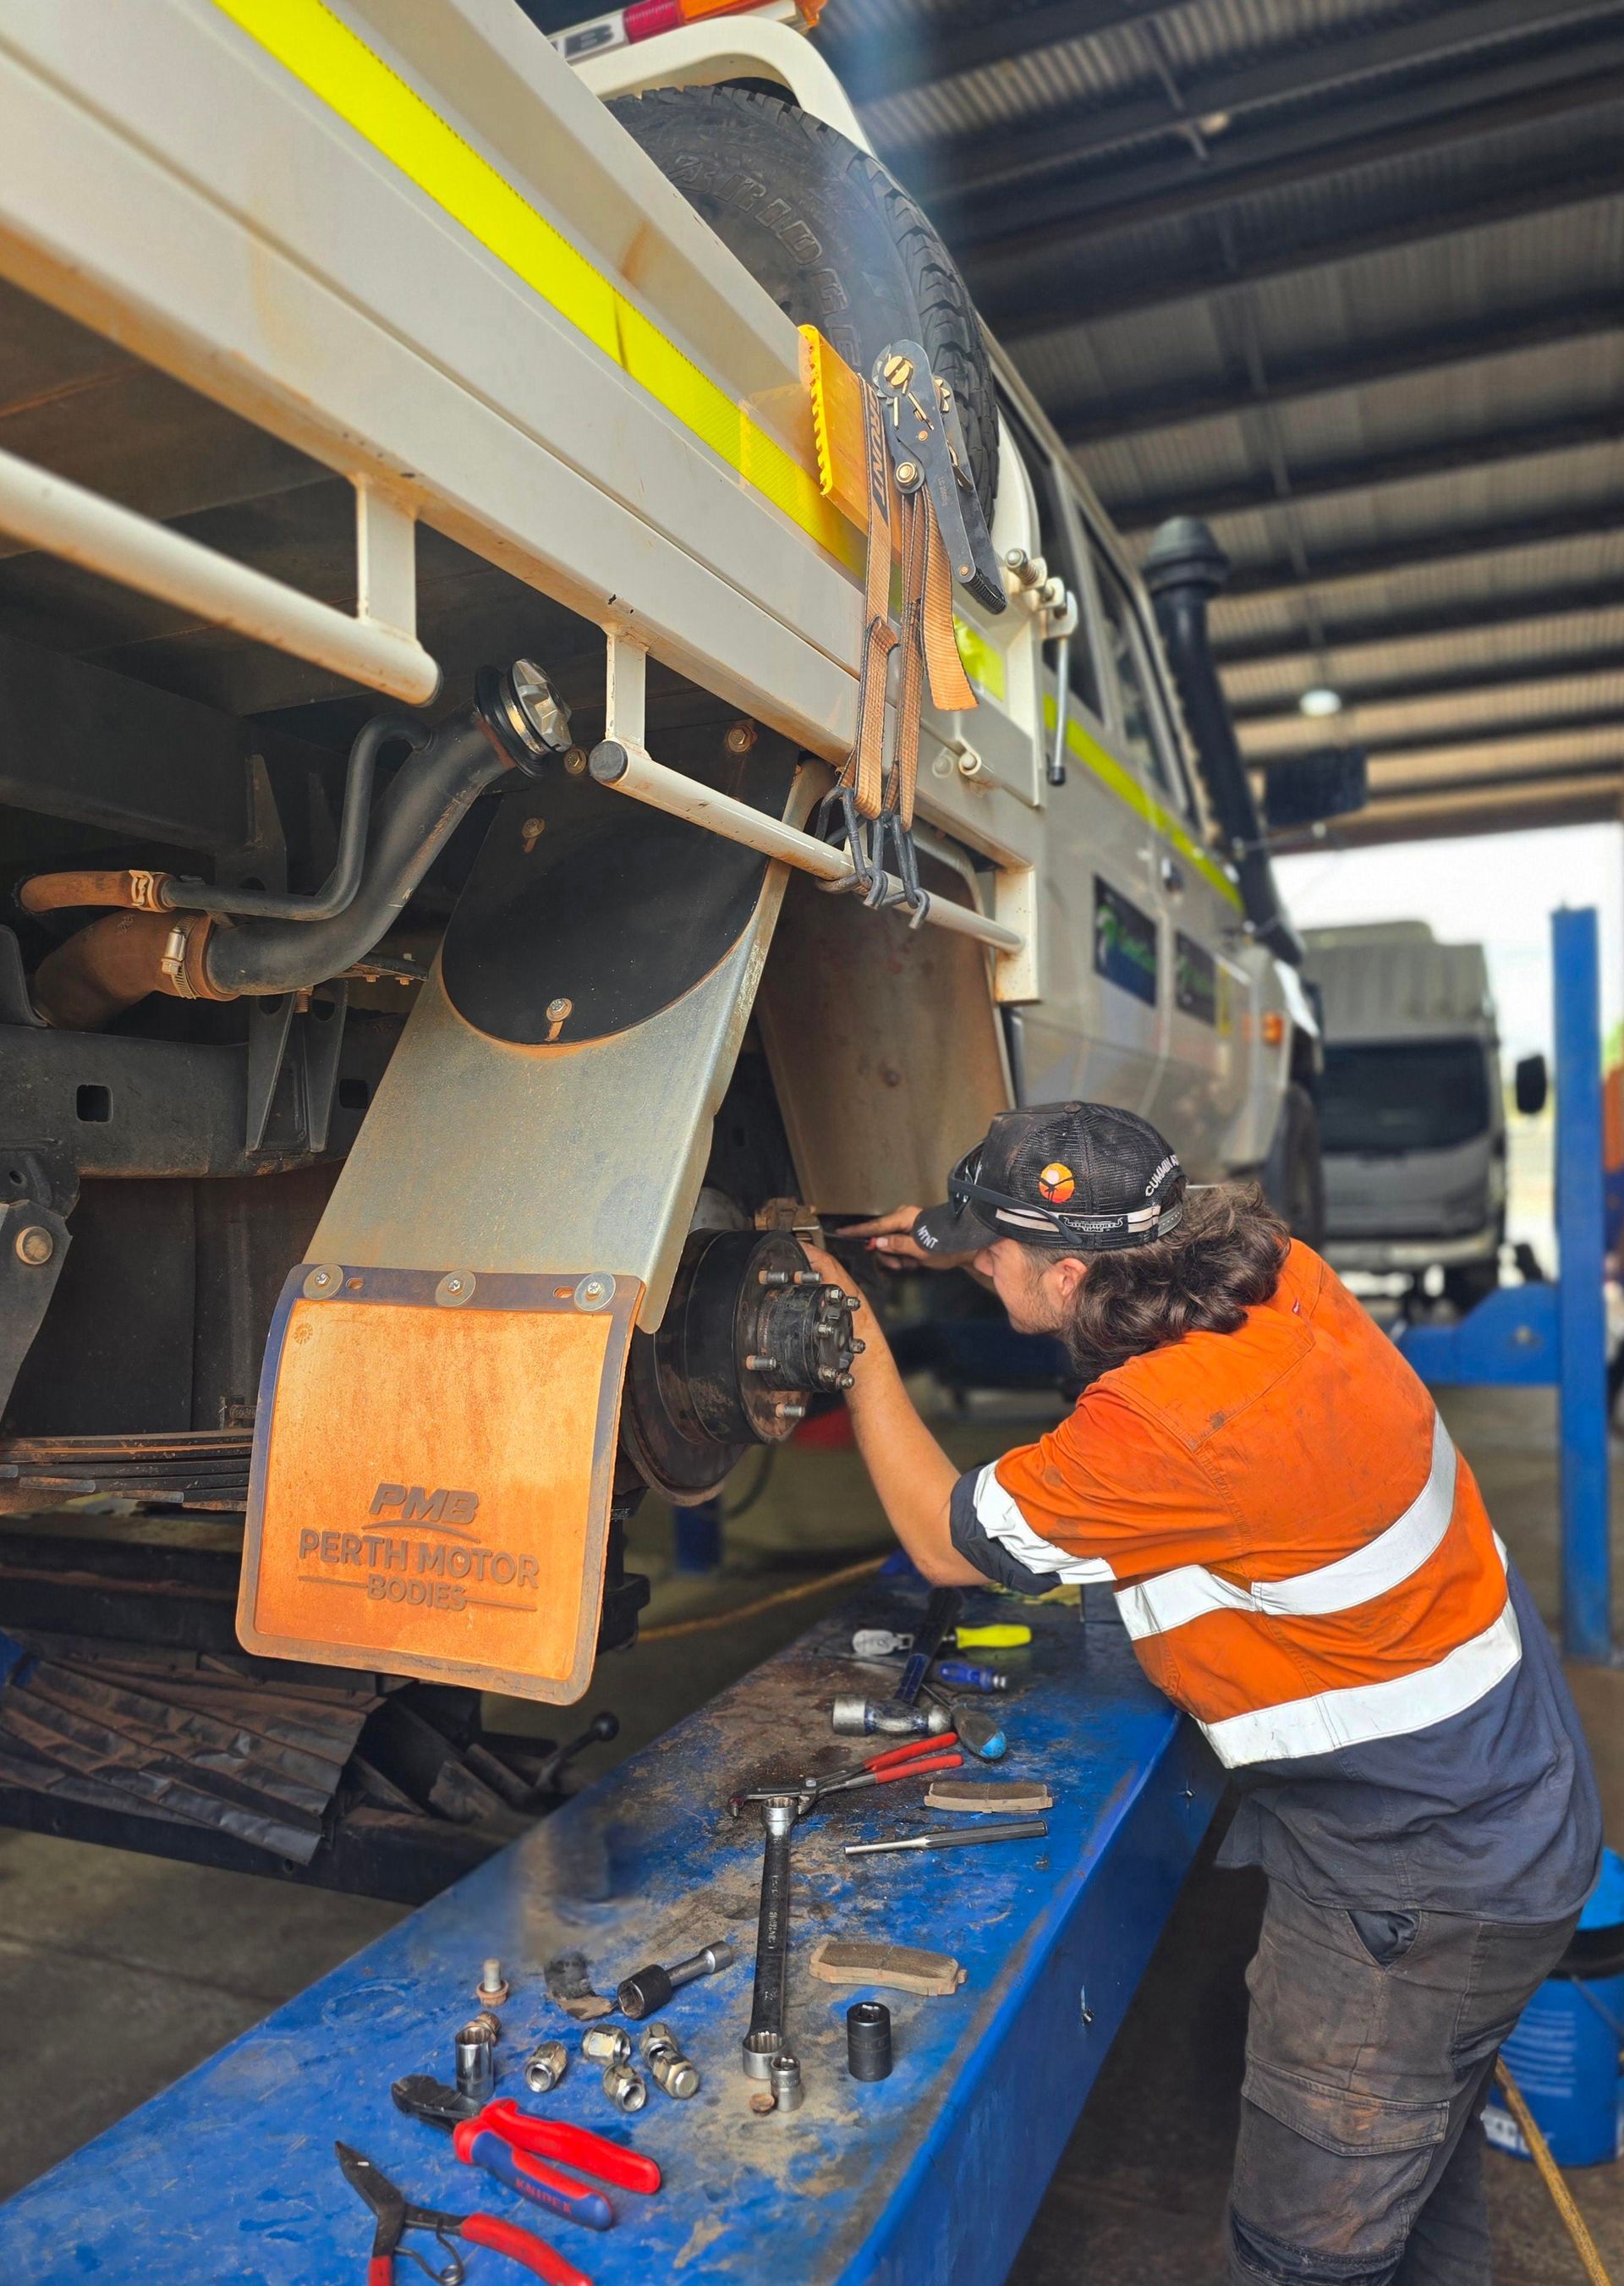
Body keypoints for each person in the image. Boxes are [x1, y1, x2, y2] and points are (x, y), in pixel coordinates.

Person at [804, 1100, 1601, 2286]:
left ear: (1071, 1271)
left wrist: (856, 1333)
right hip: (1510, 1808)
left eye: (990, 1252)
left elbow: (941, 1536)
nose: (973, 1266)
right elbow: (1067, 1250)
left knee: (1309, 2248)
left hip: (1412, 1891)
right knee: (1417, 2191)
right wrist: (944, 1225)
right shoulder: (1281, 1282)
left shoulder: (1164, 1425)